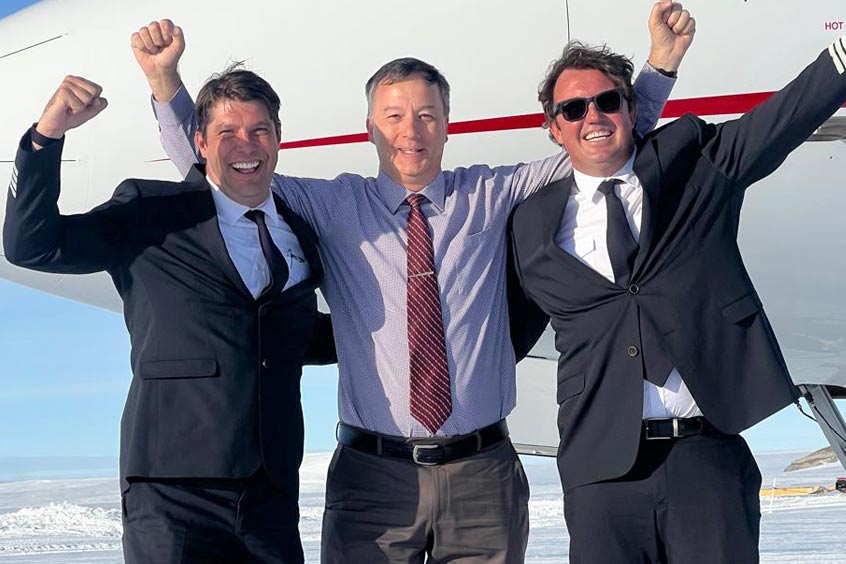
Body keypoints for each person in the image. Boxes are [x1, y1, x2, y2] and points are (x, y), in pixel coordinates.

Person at [136, 3, 693, 561]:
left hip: (483, 477)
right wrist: (166, 86)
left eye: (427, 115)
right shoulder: (332, 205)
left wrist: (660, 68)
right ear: (370, 128)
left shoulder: (492, 194)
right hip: (373, 481)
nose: (412, 132)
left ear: (448, 124)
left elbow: (603, 143)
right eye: (395, 117)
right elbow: (223, 174)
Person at [509, 33, 846, 564]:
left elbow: (779, 123)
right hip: (601, 474)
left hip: (706, 456)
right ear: (554, 128)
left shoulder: (692, 166)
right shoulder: (530, 225)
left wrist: (840, 58)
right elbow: (502, 332)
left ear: (631, 108)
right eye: (573, 108)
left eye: (608, 100)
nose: (592, 116)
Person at [3, 69, 335, 564]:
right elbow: (33, 246)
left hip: (270, 493)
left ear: (278, 139)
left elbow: (293, 339)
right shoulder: (150, 212)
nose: (246, 144)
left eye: (260, 130)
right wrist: (46, 137)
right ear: (200, 141)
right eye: (228, 132)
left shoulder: (298, 235)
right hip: (173, 492)